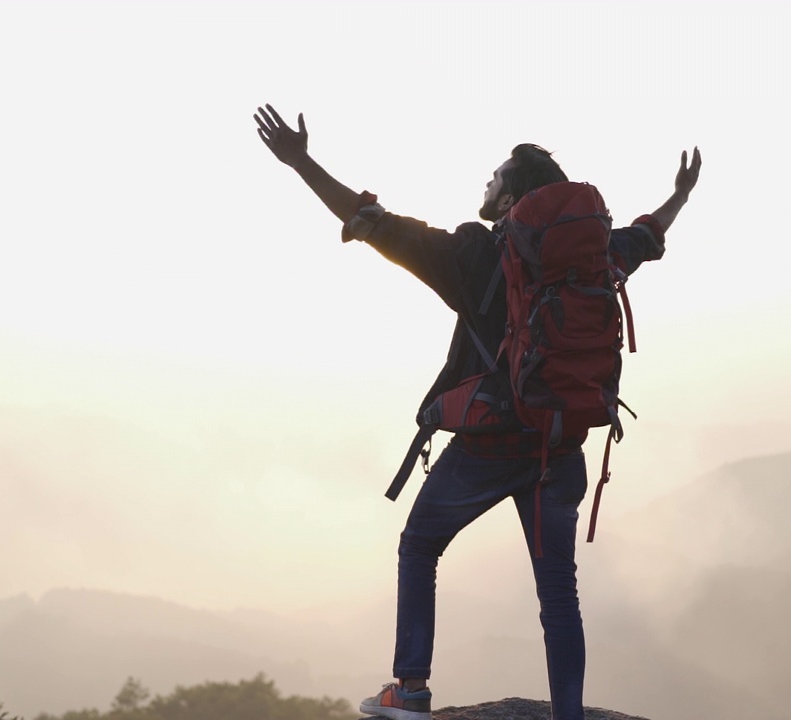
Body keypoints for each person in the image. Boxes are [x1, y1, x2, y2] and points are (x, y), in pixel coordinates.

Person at [254, 104, 701, 720]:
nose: (484, 186)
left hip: (489, 447)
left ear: (511, 192)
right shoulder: (588, 259)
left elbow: (373, 222)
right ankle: (568, 713)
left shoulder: (474, 255)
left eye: (493, 179)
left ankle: (409, 690)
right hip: (558, 443)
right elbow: (646, 236)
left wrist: (301, 162)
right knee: (558, 594)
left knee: (419, 545)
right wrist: (680, 195)